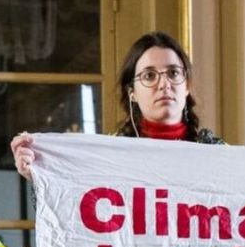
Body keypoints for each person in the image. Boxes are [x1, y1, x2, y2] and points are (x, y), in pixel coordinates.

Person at [12, 30, 224, 178]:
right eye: (149, 76)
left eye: (173, 73)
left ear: (186, 86)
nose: (164, 84)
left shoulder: (218, 154)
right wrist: (38, 174)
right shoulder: (105, 155)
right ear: (132, 93)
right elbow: (72, 209)